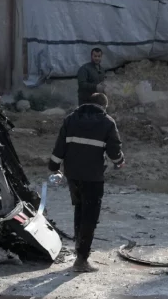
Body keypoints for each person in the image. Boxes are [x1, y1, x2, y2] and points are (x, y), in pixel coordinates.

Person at [47, 92, 125, 273]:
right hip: (93, 176)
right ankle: (82, 259)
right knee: (90, 216)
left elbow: (59, 147)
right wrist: (120, 162)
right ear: (103, 107)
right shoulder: (107, 122)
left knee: (79, 210)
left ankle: (79, 251)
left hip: (73, 175)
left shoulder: (71, 119)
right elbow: (114, 151)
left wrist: (53, 166)